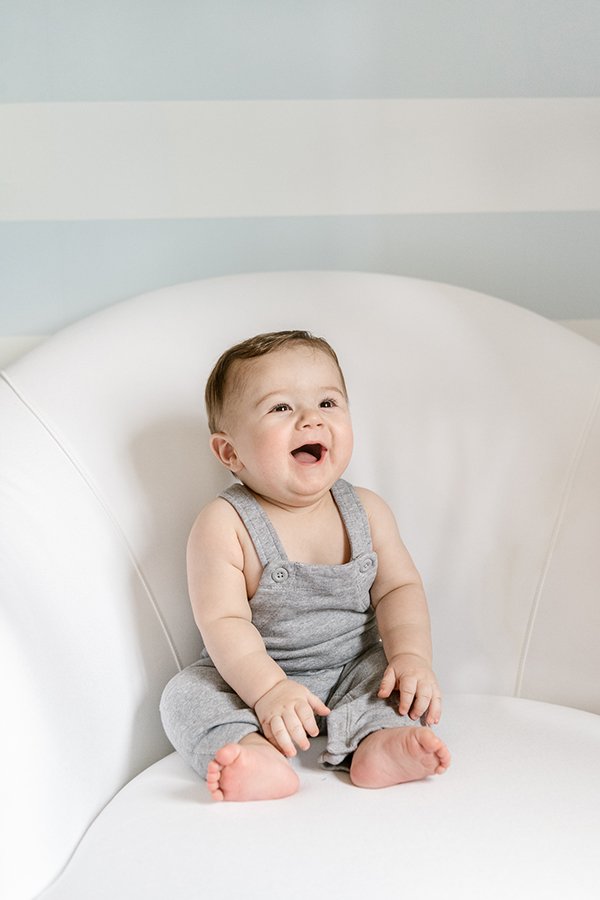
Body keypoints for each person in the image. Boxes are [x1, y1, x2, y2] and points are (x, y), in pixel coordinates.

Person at [160, 330, 451, 802]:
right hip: (250, 677)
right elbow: (222, 621)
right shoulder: (225, 524)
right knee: (184, 695)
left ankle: (378, 744)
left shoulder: (367, 510)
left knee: (396, 683)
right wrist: (268, 690)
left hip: (351, 667)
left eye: (329, 403)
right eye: (281, 408)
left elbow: (399, 589)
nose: (311, 419)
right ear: (230, 452)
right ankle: (251, 752)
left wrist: (412, 656)